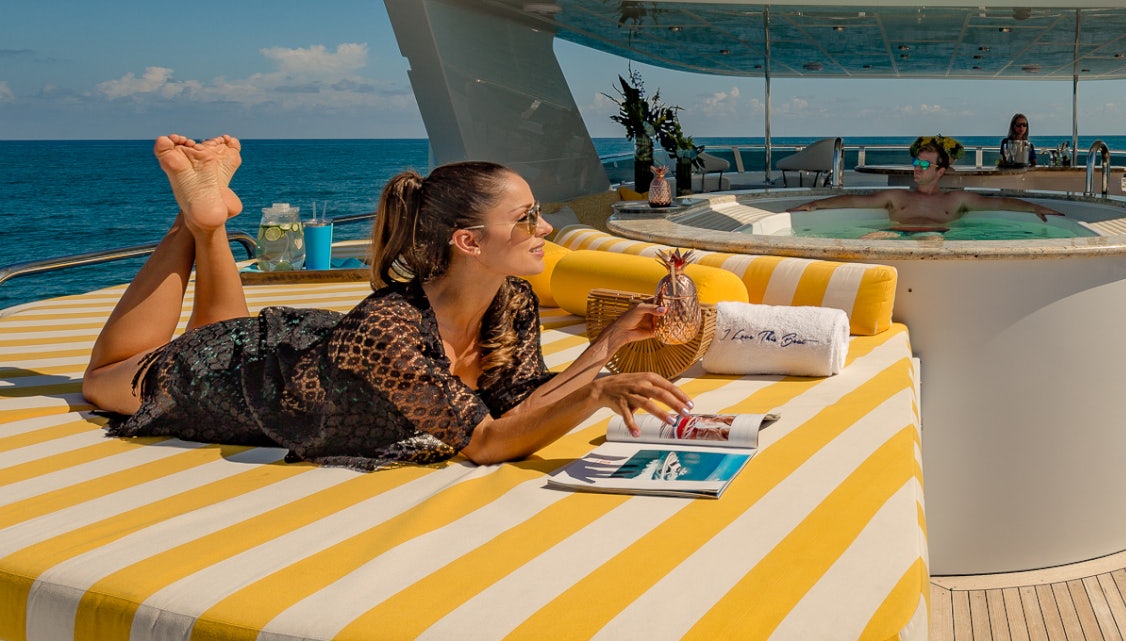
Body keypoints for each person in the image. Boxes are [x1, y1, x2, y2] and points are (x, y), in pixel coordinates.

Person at [82, 134, 692, 470]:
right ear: (469, 242)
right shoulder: (391, 329)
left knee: (226, 323)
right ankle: (193, 220)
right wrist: (595, 390)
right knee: (101, 379)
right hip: (217, 376)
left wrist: (610, 344)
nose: (546, 229)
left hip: (286, 351)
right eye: (527, 217)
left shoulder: (512, 303)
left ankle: (209, 220)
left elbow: (521, 404)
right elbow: (486, 441)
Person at [790, 135, 1063, 232]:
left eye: (924, 165)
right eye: (916, 163)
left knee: (931, 239)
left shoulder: (955, 200)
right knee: (869, 240)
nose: (916, 169)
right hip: (893, 236)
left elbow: (999, 202)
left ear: (940, 171)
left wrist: (1034, 207)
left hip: (937, 237)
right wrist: (814, 205)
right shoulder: (896, 197)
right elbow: (852, 200)